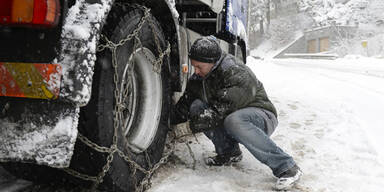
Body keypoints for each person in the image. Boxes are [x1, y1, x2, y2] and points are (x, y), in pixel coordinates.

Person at [171, 36, 302, 190]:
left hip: (262, 116)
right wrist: (167, 124)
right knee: (197, 107)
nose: (196, 71)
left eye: (199, 67)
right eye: (194, 67)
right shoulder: (201, 77)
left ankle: (287, 167)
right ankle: (229, 153)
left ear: (213, 62)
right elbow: (185, 104)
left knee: (233, 120)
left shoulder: (235, 72)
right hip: (232, 116)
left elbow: (218, 112)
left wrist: (187, 128)